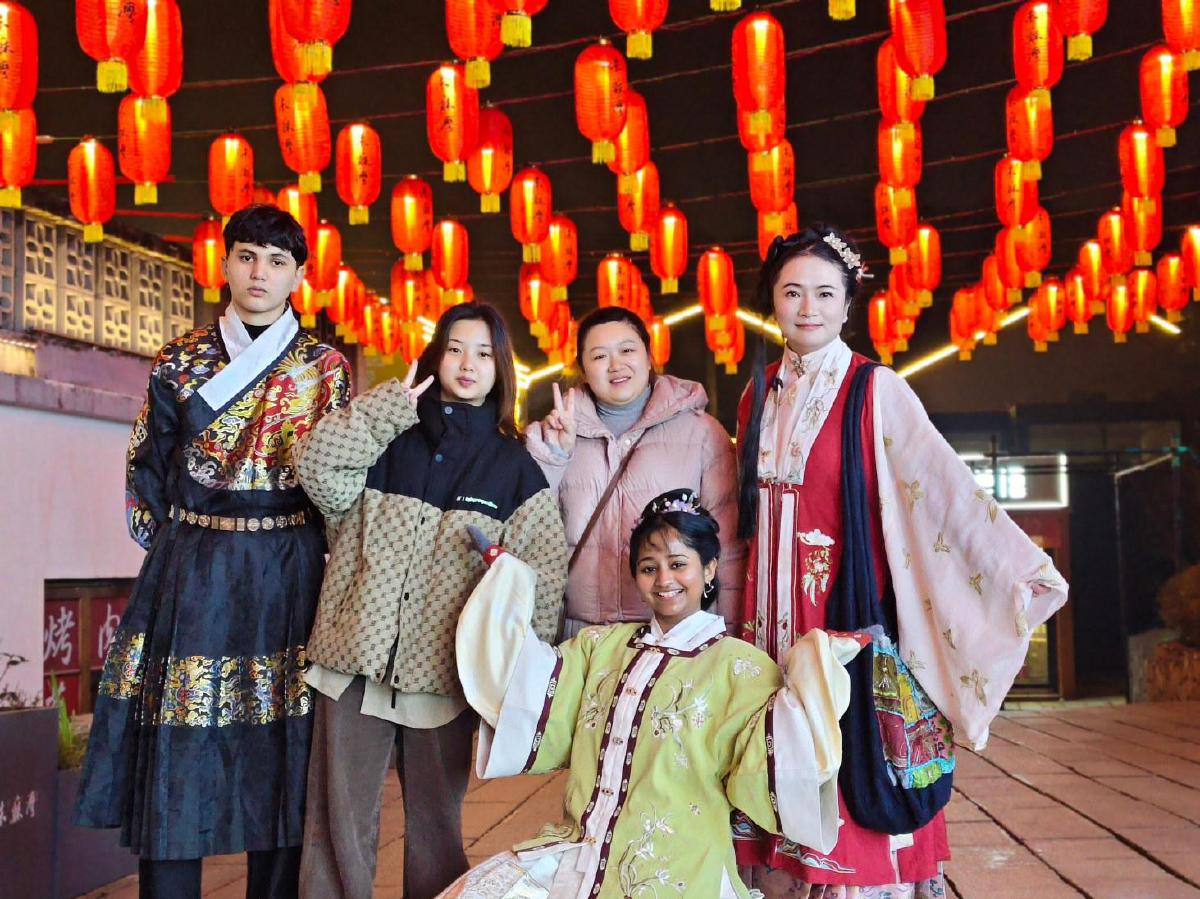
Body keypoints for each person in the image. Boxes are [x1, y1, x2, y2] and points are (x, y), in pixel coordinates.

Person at [732, 225, 1070, 898]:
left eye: (824, 293)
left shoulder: (876, 389)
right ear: (771, 300)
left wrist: (1012, 566)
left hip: (842, 616)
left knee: (850, 754)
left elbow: (941, 487)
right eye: (792, 292)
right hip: (763, 620)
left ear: (847, 305)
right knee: (773, 760)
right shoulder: (756, 394)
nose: (807, 307)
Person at [75, 204, 352, 899]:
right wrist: (175, 548)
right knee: (181, 735)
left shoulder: (326, 368)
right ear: (224, 263)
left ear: (299, 276)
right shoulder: (179, 359)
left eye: (277, 261)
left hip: (289, 569)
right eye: (247, 256)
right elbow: (147, 465)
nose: (260, 273)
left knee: (283, 747)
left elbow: (344, 478)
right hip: (196, 565)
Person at [438, 489, 865, 898]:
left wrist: (819, 670)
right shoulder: (599, 647)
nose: (664, 580)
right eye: (648, 568)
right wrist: (506, 586)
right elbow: (529, 686)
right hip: (579, 849)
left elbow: (773, 758)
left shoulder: (741, 667)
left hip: (680, 870)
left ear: (709, 569)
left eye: (679, 564)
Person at [294, 301, 569, 899]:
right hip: (352, 659)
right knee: (336, 825)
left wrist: (512, 671)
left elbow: (545, 576)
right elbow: (314, 468)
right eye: (455, 348)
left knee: (437, 830)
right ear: (435, 357)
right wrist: (386, 409)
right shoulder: (389, 438)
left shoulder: (514, 467)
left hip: (446, 675)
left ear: (501, 369)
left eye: (483, 353)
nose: (468, 363)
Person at [526, 305, 744, 636]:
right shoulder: (555, 436)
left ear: (649, 356)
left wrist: (729, 635)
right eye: (599, 356)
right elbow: (534, 537)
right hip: (580, 636)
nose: (616, 365)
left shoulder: (702, 434)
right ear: (582, 368)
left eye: (627, 350)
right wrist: (554, 457)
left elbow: (728, 549)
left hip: (672, 634)